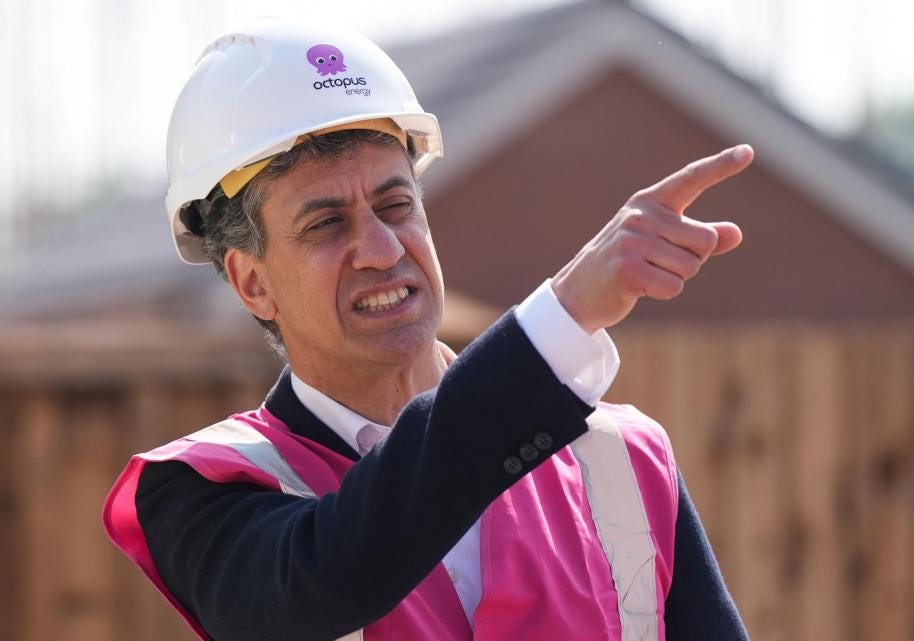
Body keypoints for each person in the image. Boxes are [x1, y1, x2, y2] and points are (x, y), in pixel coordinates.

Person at [103, 17, 751, 641]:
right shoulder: (203, 494)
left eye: (395, 205)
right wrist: (562, 314)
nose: (383, 249)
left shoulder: (625, 462)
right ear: (253, 282)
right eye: (327, 223)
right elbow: (336, 571)